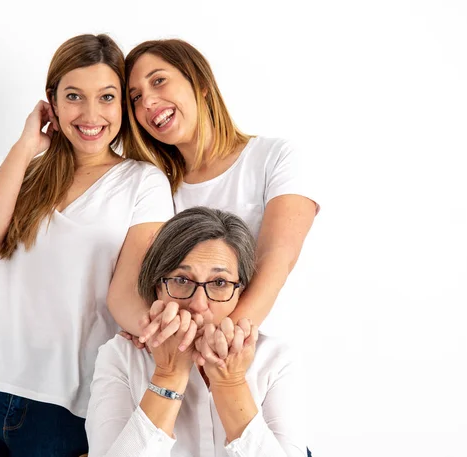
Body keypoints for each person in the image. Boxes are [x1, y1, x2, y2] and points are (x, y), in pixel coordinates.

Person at [0, 34, 173, 457]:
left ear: (122, 106)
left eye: (107, 97)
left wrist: (166, 331)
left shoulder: (143, 182)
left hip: (64, 405)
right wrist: (25, 146)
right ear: (51, 103)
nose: (91, 114)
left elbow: (125, 293)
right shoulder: (28, 172)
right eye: (74, 96)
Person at [116, 39, 319, 350]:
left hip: (254, 357)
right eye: (135, 98)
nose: (147, 102)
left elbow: (277, 259)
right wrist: (154, 329)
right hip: (180, 368)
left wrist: (220, 340)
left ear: (200, 83)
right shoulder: (155, 186)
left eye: (159, 81)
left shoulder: (274, 157)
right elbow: (140, 286)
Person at [87, 207, 308, 456]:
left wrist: (230, 382)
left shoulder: (275, 360)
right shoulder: (120, 357)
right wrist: (168, 375)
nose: (199, 304)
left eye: (219, 283)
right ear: (157, 287)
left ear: (240, 292)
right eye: (182, 280)